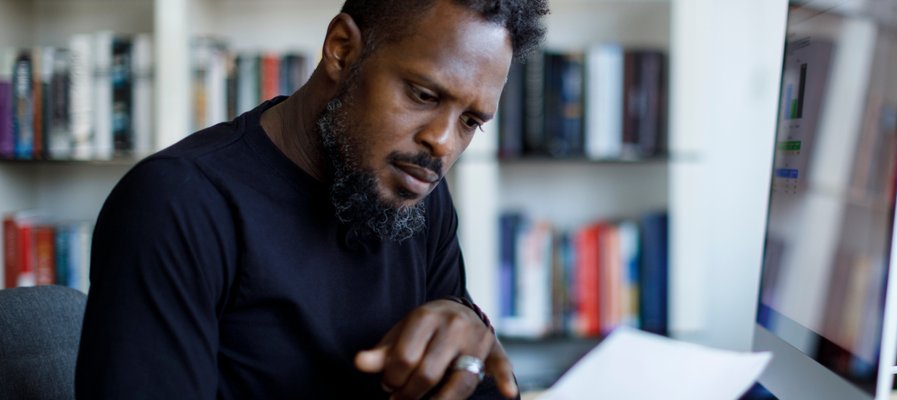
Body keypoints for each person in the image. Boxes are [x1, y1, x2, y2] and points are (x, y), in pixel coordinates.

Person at [75, 0, 547, 398]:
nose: (442, 143)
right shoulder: (177, 203)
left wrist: (469, 330)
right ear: (342, 49)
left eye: (470, 121)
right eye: (423, 95)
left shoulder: (419, 196)